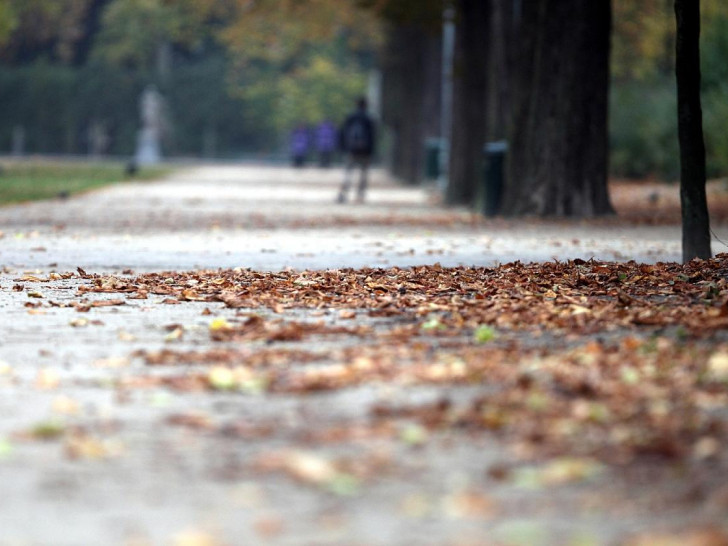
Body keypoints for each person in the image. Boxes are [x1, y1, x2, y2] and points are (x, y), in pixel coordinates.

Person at [337, 97, 375, 203]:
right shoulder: (369, 118)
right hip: (365, 151)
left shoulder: (350, 117)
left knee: (348, 172)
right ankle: (360, 195)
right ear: (366, 105)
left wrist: (343, 148)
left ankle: (343, 193)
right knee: (363, 174)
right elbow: (372, 136)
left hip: (351, 150)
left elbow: (343, 133)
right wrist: (371, 151)